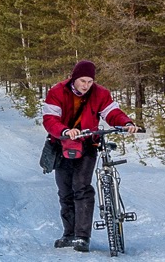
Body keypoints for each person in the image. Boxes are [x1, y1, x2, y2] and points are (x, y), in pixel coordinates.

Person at [42, 59, 141, 253]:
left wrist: (127, 122)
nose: (86, 85)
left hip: (87, 144)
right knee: (65, 191)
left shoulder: (100, 93)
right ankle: (68, 234)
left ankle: (82, 237)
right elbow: (49, 119)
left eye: (89, 81)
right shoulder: (57, 92)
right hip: (61, 144)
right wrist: (64, 130)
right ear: (74, 78)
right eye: (82, 81)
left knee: (81, 187)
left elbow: (112, 113)